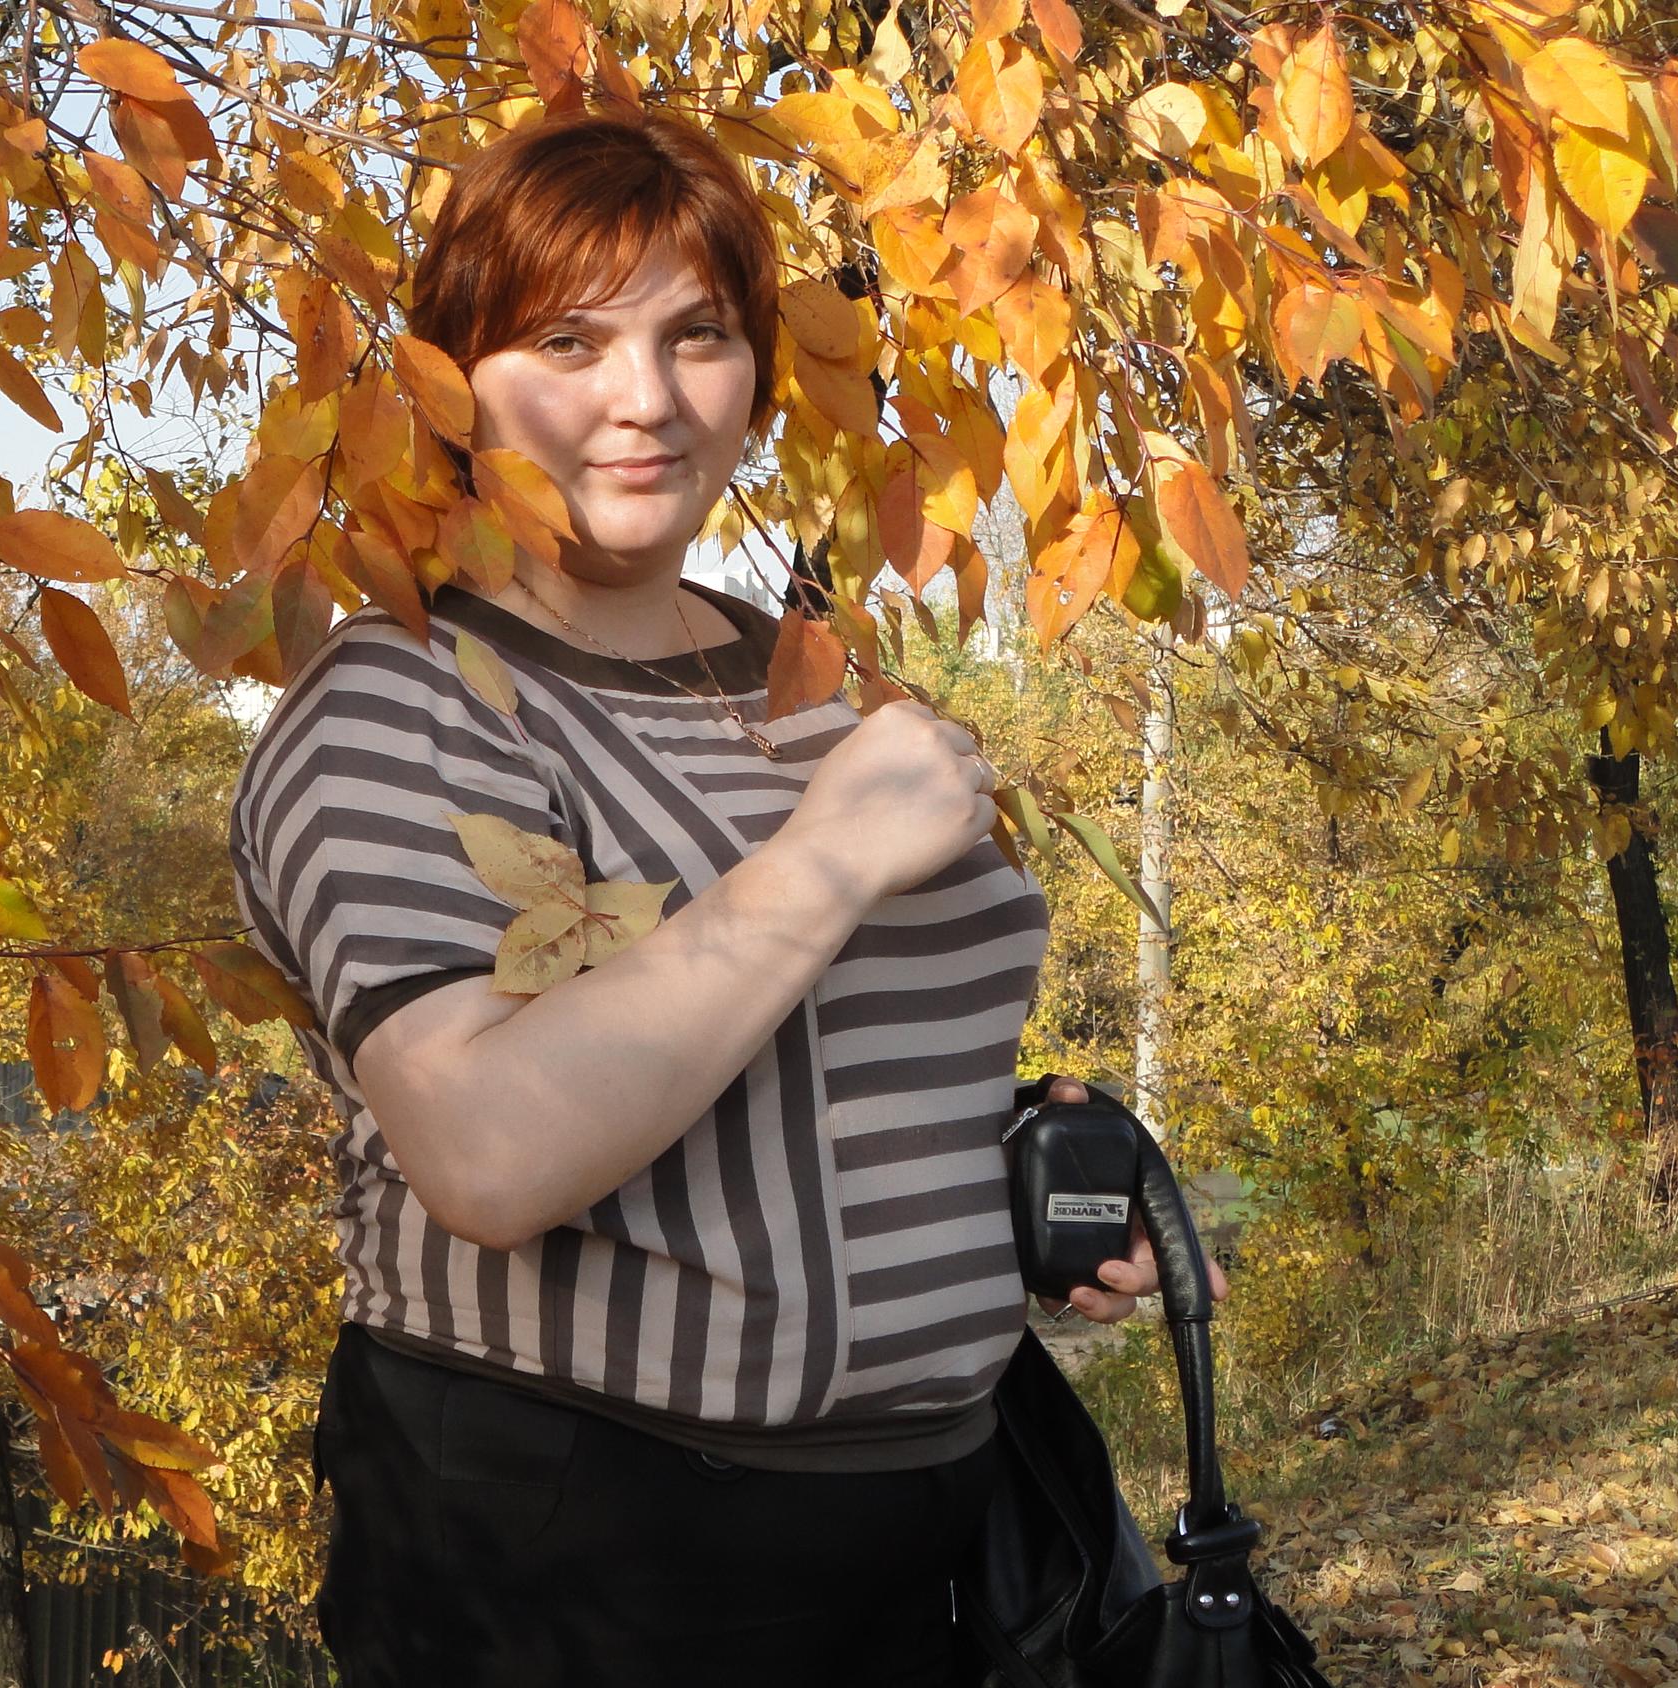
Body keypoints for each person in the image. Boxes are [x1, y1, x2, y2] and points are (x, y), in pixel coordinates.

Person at [224, 107, 1229, 1687]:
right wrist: (825, 860)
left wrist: (1019, 1194)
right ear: (451, 381)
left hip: (945, 1548)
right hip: (586, 1569)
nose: (645, 398)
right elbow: (486, 1147)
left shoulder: (807, 681)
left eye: (697, 335)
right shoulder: (405, 703)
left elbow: (787, 1062)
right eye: (569, 340)